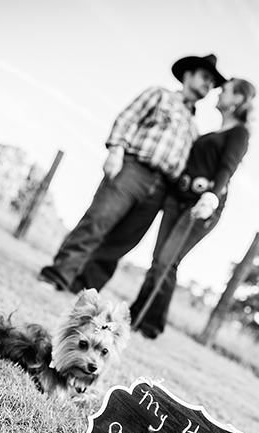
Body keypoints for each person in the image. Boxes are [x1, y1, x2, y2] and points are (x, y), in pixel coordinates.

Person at [38, 55, 225, 293]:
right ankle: (57, 276)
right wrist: (116, 151)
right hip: (133, 170)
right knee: (98, 221)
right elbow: (128, 119)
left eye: (212, 82)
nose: (208, 85)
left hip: (162, 188)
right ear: (188, 75)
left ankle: (84, 289)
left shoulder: (194, 128)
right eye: (205, 77)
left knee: (124, 241)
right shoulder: (159, 95)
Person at [130, 78, 255, 339]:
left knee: (167, 261)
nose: (218, 93)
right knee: (159, 262)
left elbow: (226, 168)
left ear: (238, 100)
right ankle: (137, 319)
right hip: (178, 200)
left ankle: (149, 325)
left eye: (226, 91)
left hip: (201, 206)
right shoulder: (212, 133)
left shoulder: (238, 133)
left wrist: (210, 197)